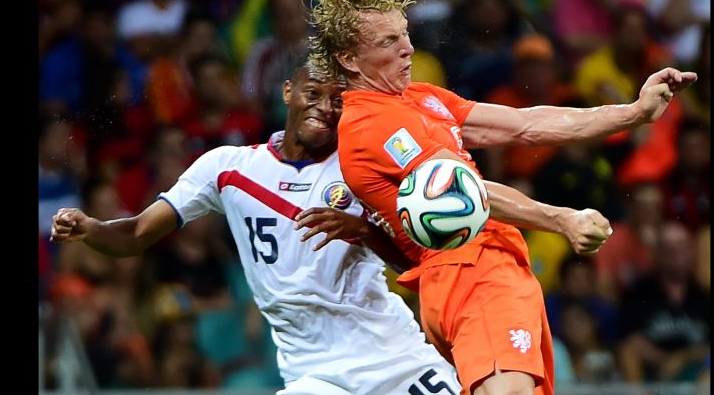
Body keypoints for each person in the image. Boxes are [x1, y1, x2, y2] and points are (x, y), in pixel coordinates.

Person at [305, 0, 697, 395]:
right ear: (347, 58)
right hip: (470, 272)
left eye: (405, 34)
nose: (408, 49)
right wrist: (561, 218)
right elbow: (462, 193)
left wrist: (631, 113)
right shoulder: (371, 126)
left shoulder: (420, 98)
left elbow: (523, 125)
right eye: (389, 41)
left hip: (491, 268)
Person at [50, 60, 462, 395]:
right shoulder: (228, 167)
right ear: (288, 92)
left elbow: (420, 261)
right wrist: (93, 229)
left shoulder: (361, 169)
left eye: (338, 100)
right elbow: (137, 233)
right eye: (312, 93)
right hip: (314, 376)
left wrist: (365, 232)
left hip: (394, 357)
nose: (324, 106)